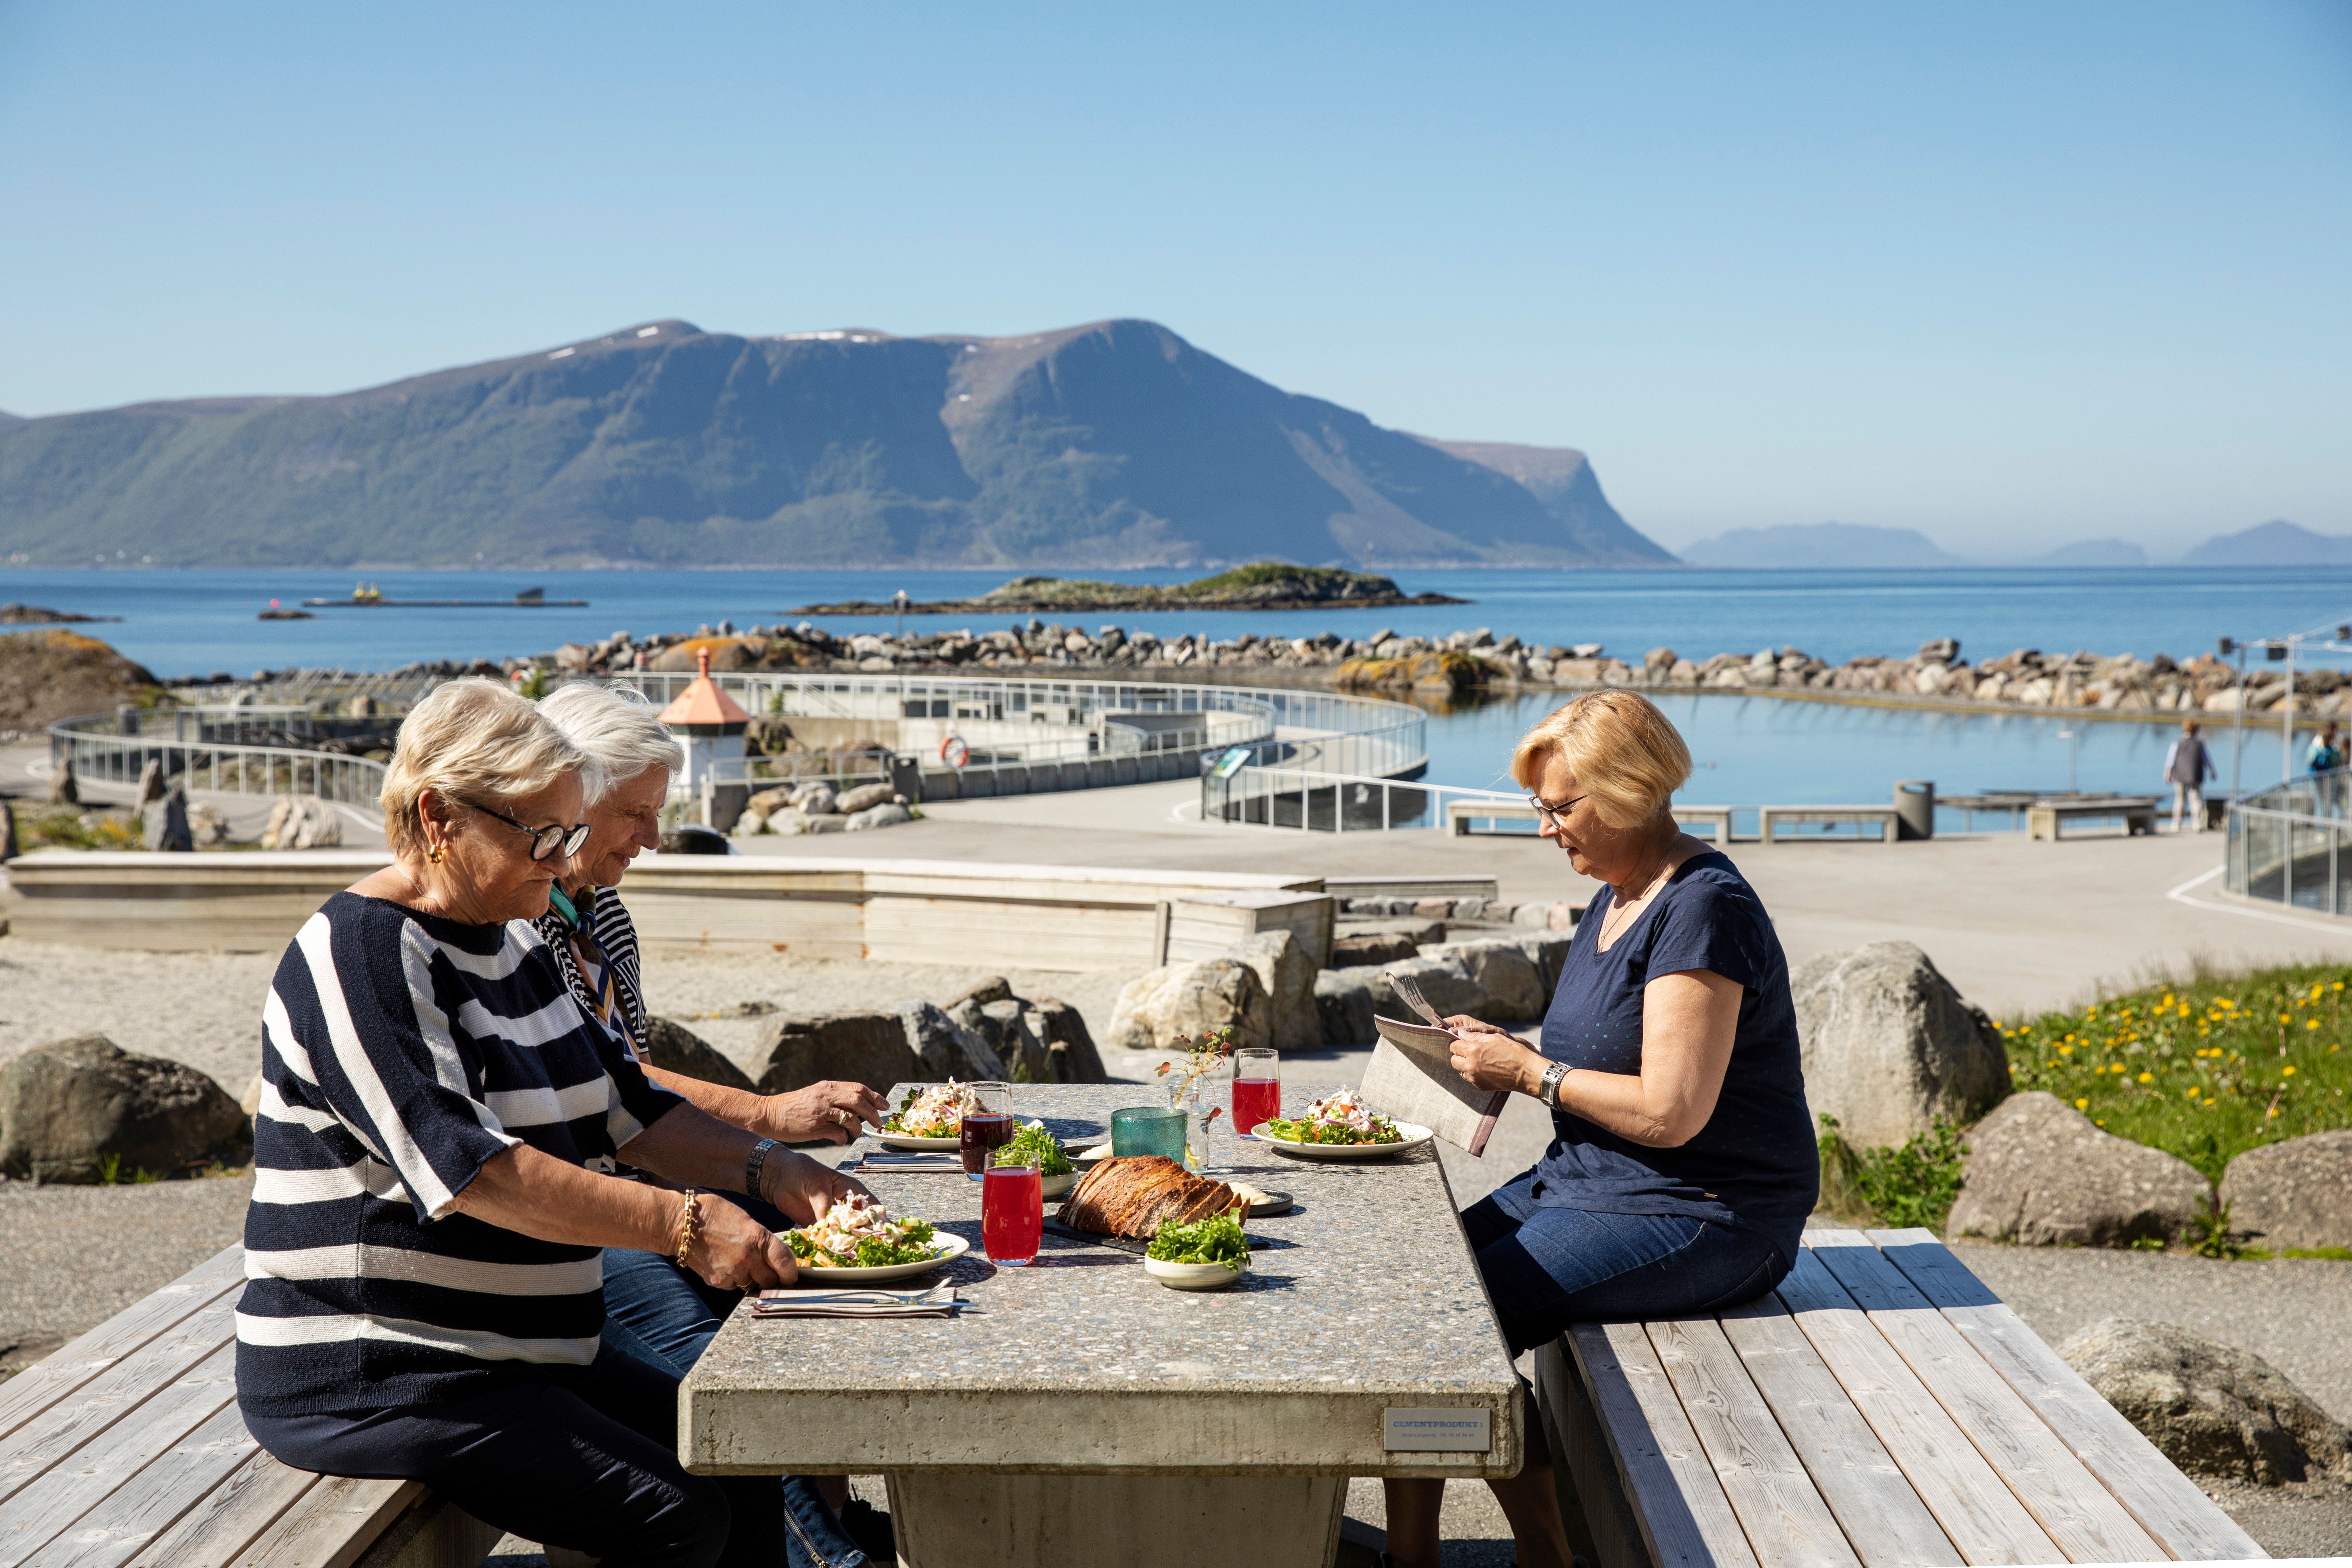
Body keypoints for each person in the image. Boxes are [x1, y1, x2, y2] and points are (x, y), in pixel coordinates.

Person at [236, 678, 874, 1568]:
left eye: (571, 832)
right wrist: (684, 1225)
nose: (562, 856)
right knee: (677, 1516)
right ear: (437, 816)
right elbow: (472, 1169)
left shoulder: (510, 933)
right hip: (382, 1368)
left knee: (738, 1452)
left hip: (514, 1354)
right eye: (541, 833)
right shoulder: (363, 951)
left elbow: (631, 1107)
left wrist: (776, 1169)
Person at [1382, 691, 1817, 1568]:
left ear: (1629, 789)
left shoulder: (1702, 906)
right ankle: (1411, 1552)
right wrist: (1499, 1053)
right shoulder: (1618, 893)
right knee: (1411, 1293)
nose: (1545, 827)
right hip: (1593, 1181)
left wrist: (1531, 1072)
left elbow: (1672, 1109)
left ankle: (1546, 1551)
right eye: (1538, 806)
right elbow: (1611, 1055)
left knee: (1454, 1323)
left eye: (1559, 805)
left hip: (1708, 1209)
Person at [534, 680, 891, 1559]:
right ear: (569, 797)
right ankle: (832, 1553)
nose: (654, 838)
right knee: (712, 1358)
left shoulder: (604, 914)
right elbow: (611, 1081)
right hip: (575, 1207)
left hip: (640, 1176)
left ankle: (837, 1517)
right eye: (636, 814)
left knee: (817, 1257)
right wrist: (768, 1120)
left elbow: (632, 1085)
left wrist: (769, 1163)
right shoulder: (518, 920)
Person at [2165, 719, 2217, 833]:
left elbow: (2171, 759)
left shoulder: (2178, 742)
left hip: (2180, 775)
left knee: (2180, 799)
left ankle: (2176, 823)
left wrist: (2168, 774)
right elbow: (2207, 759)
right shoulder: (2199, 743)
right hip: (2195, 775)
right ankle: (2197, 823)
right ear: (2197, 730)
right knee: (2196, 799)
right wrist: (2213, 772)